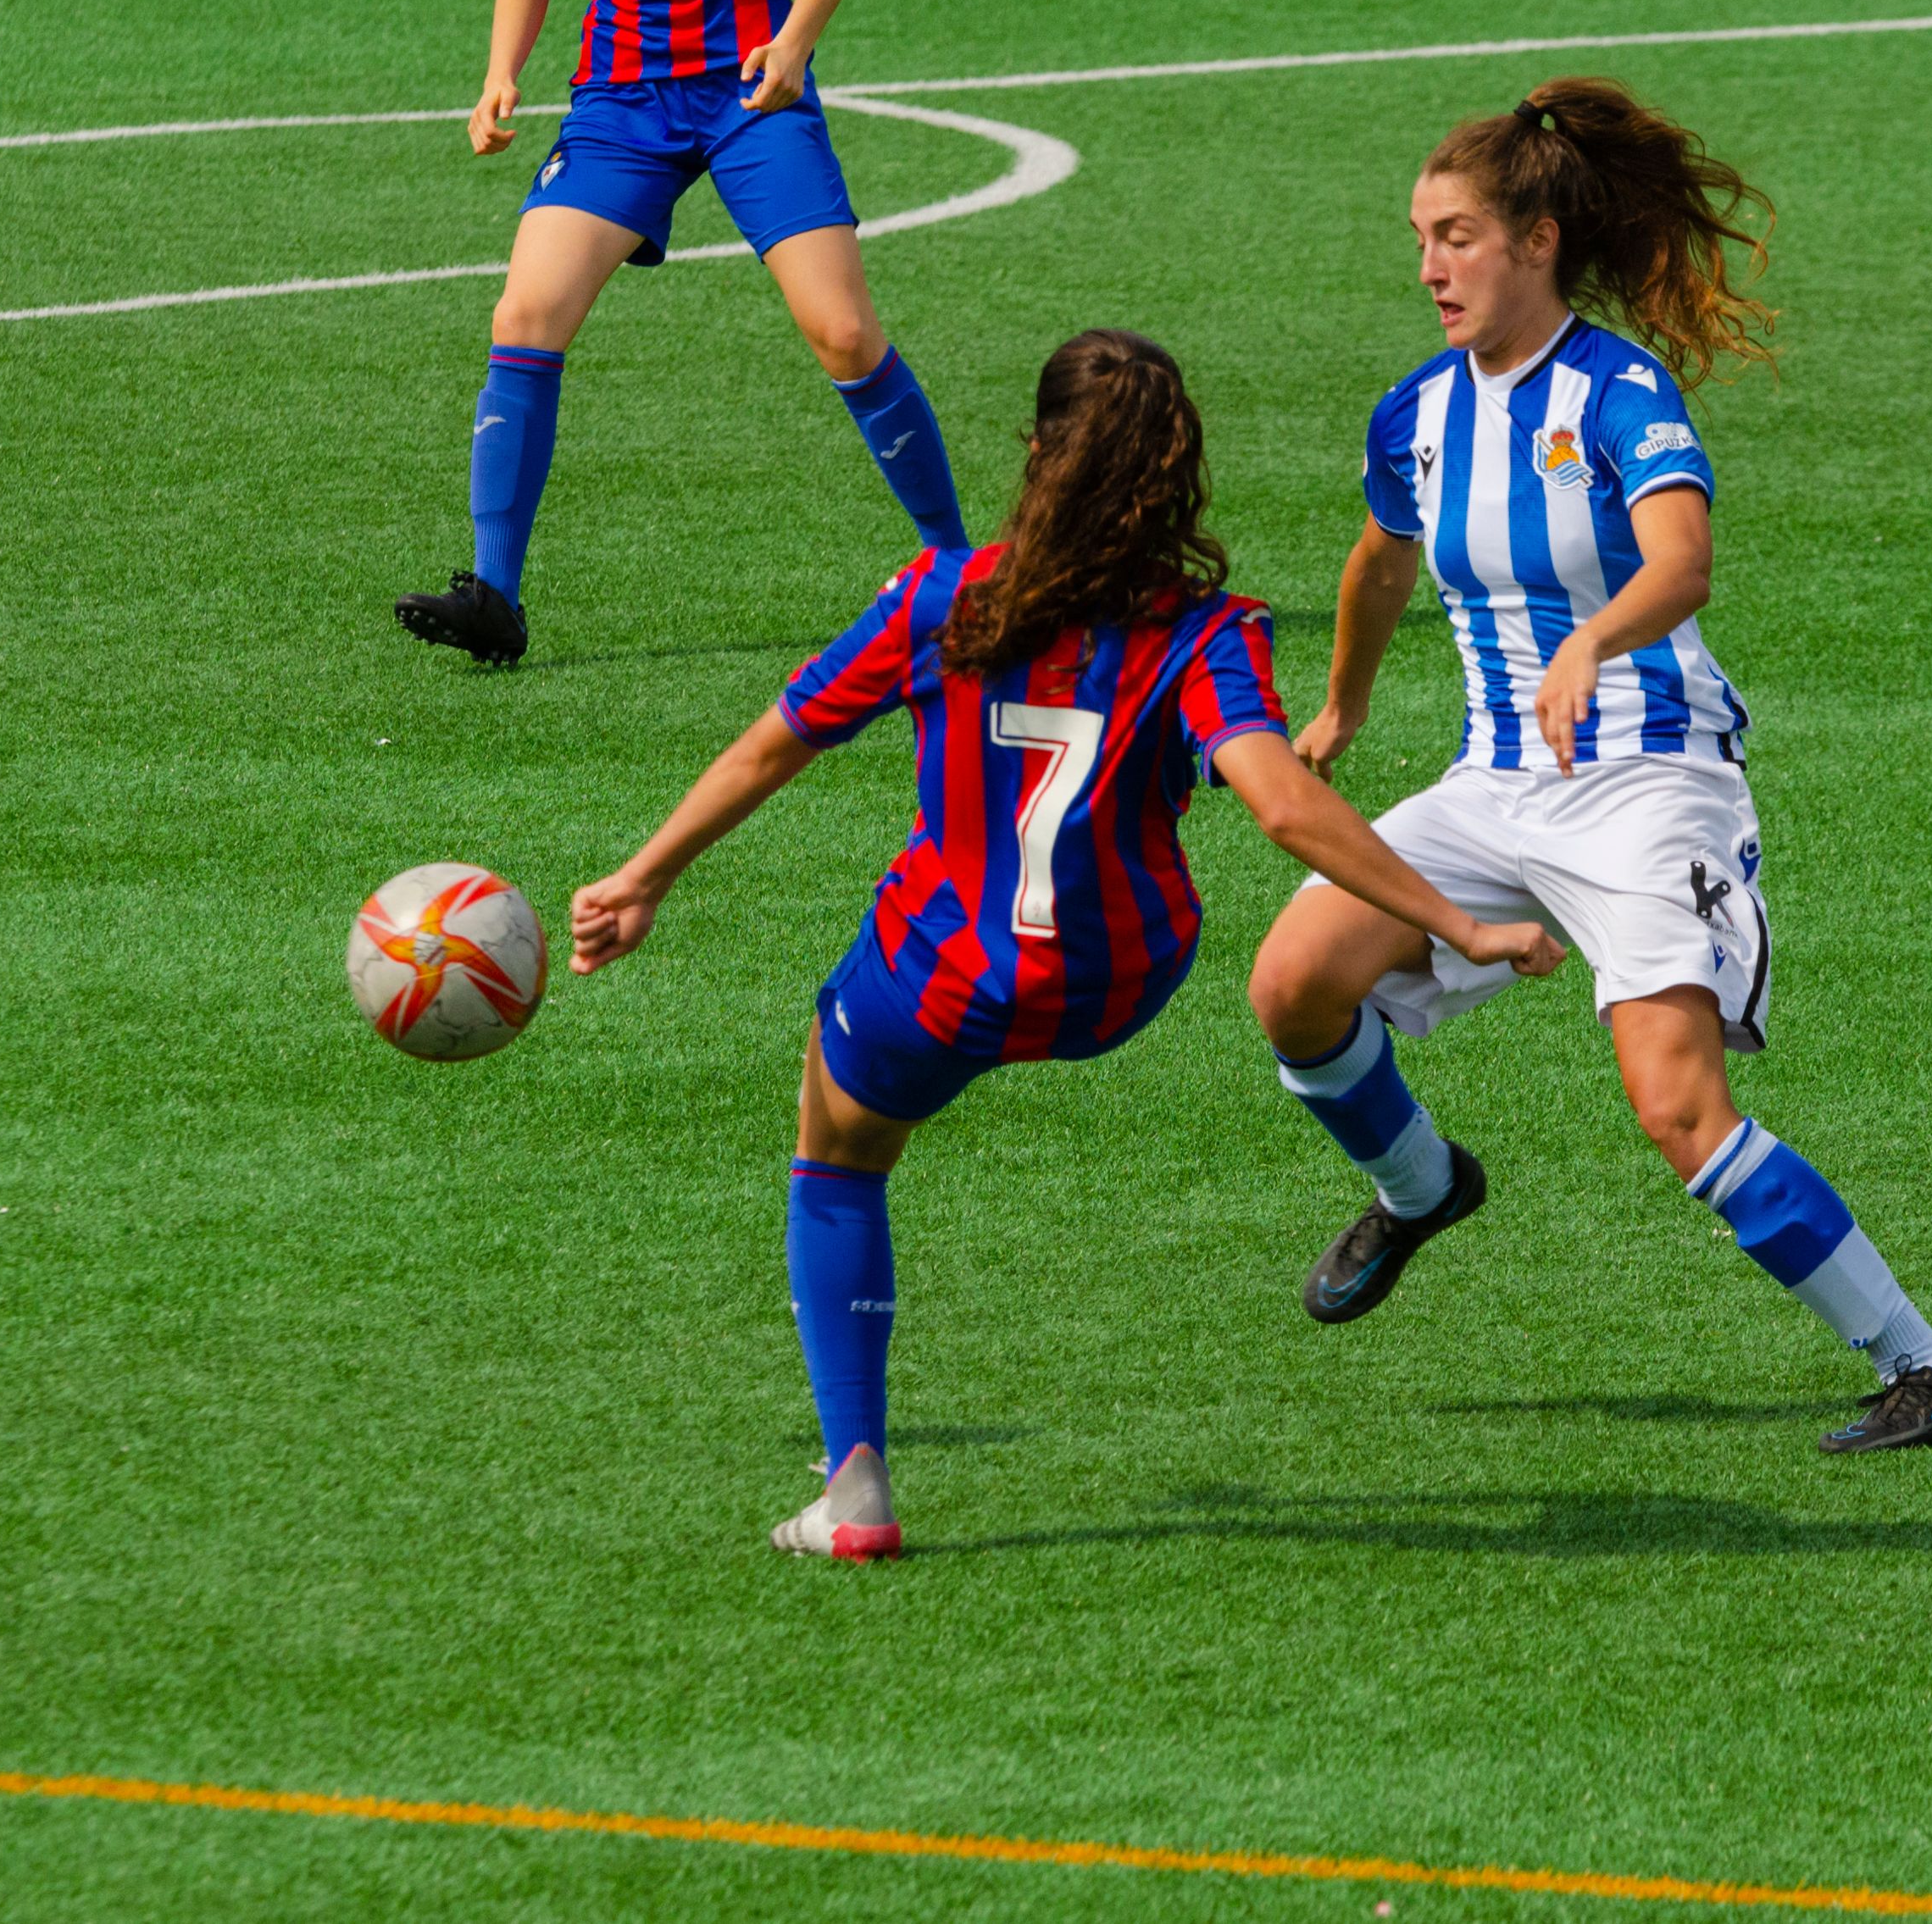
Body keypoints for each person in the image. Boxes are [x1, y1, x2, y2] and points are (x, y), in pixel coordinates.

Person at [569, 331, 1565, 1557]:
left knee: (837, 1152)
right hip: (1118, 981)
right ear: (1176, 481)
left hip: (948, 983)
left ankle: (856, 1482)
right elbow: (1285, 804)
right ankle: (1404, 1171)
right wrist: (1461, 925)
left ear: (1037, 454)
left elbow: (777, 743)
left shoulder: (944, 597)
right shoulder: (1209, 633)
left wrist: (642, 878)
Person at [1246, 79, 1932, 1454]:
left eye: (1456, 236)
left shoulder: (1616, 391)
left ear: (1536, 238)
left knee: (1677, 1106)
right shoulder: (1415, 413)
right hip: (1488, 786)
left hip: (1650, 784)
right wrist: (1343, 707)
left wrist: (1597, 637)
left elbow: (1683, 560)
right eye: (1419, 238)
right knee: (1292, 985)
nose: (1428, 268)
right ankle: (1421, 1189)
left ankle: (1930, 1369)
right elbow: (1378, 556)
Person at [397, 0, 966, 666]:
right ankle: (493, 596)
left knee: (843, 334)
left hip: (752, 86)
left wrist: (795, 43)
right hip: (621, 101)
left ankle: (962, 578)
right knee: (525, 317)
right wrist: (500, 72)